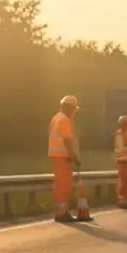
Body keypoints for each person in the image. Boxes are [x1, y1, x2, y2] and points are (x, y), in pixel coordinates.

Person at [49, 95, 81, 223]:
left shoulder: (56, 118)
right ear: (70, 108)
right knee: (64, 185)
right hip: (63, 156)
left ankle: (60, 211)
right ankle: (62, 213)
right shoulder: (64, 120)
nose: (74, 112)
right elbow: (67, 140)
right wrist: (74, 156)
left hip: (55, 156)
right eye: (73, 109)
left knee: (59, 184)